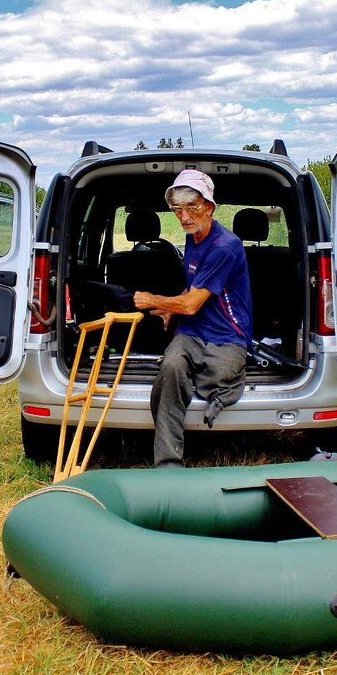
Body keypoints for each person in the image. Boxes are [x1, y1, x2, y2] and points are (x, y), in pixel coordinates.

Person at [133, 170, 253, 468]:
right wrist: (168, 310)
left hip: (228, 335)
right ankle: (168, 464)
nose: (184, 216)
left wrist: (152, 300)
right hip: (192, 331)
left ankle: (222, 390)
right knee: (171, 369)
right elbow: (192, 291)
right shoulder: (193, 237)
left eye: (192, 207)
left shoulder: (225, 246)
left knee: (219, 374)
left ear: (209, 207)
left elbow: (189, 304)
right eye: (178, 209)